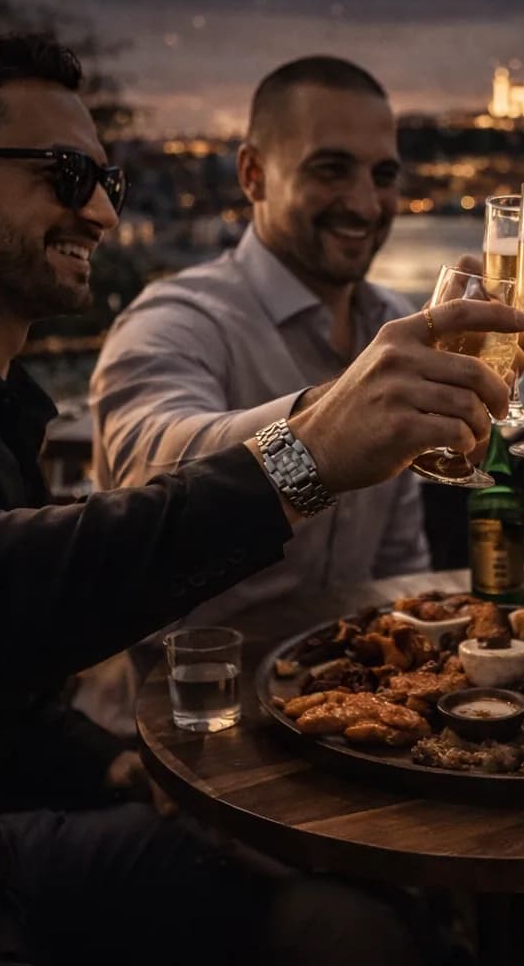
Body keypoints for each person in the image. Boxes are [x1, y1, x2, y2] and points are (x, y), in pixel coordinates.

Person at [0, 33, 524, 964]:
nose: (100, 215)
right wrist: (308, 452)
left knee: (371, 920)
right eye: (62, 175)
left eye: (105, 183)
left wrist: (123, 769)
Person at [79, 56, 427, 734]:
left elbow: (398, 569)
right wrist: (319, 434)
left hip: (331, 726)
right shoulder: (175, 319)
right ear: (252, 175)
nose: (364, 203)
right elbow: (146, 479)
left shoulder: (392, 324)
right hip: (177, 737)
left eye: (383, 175)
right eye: (331, 169)